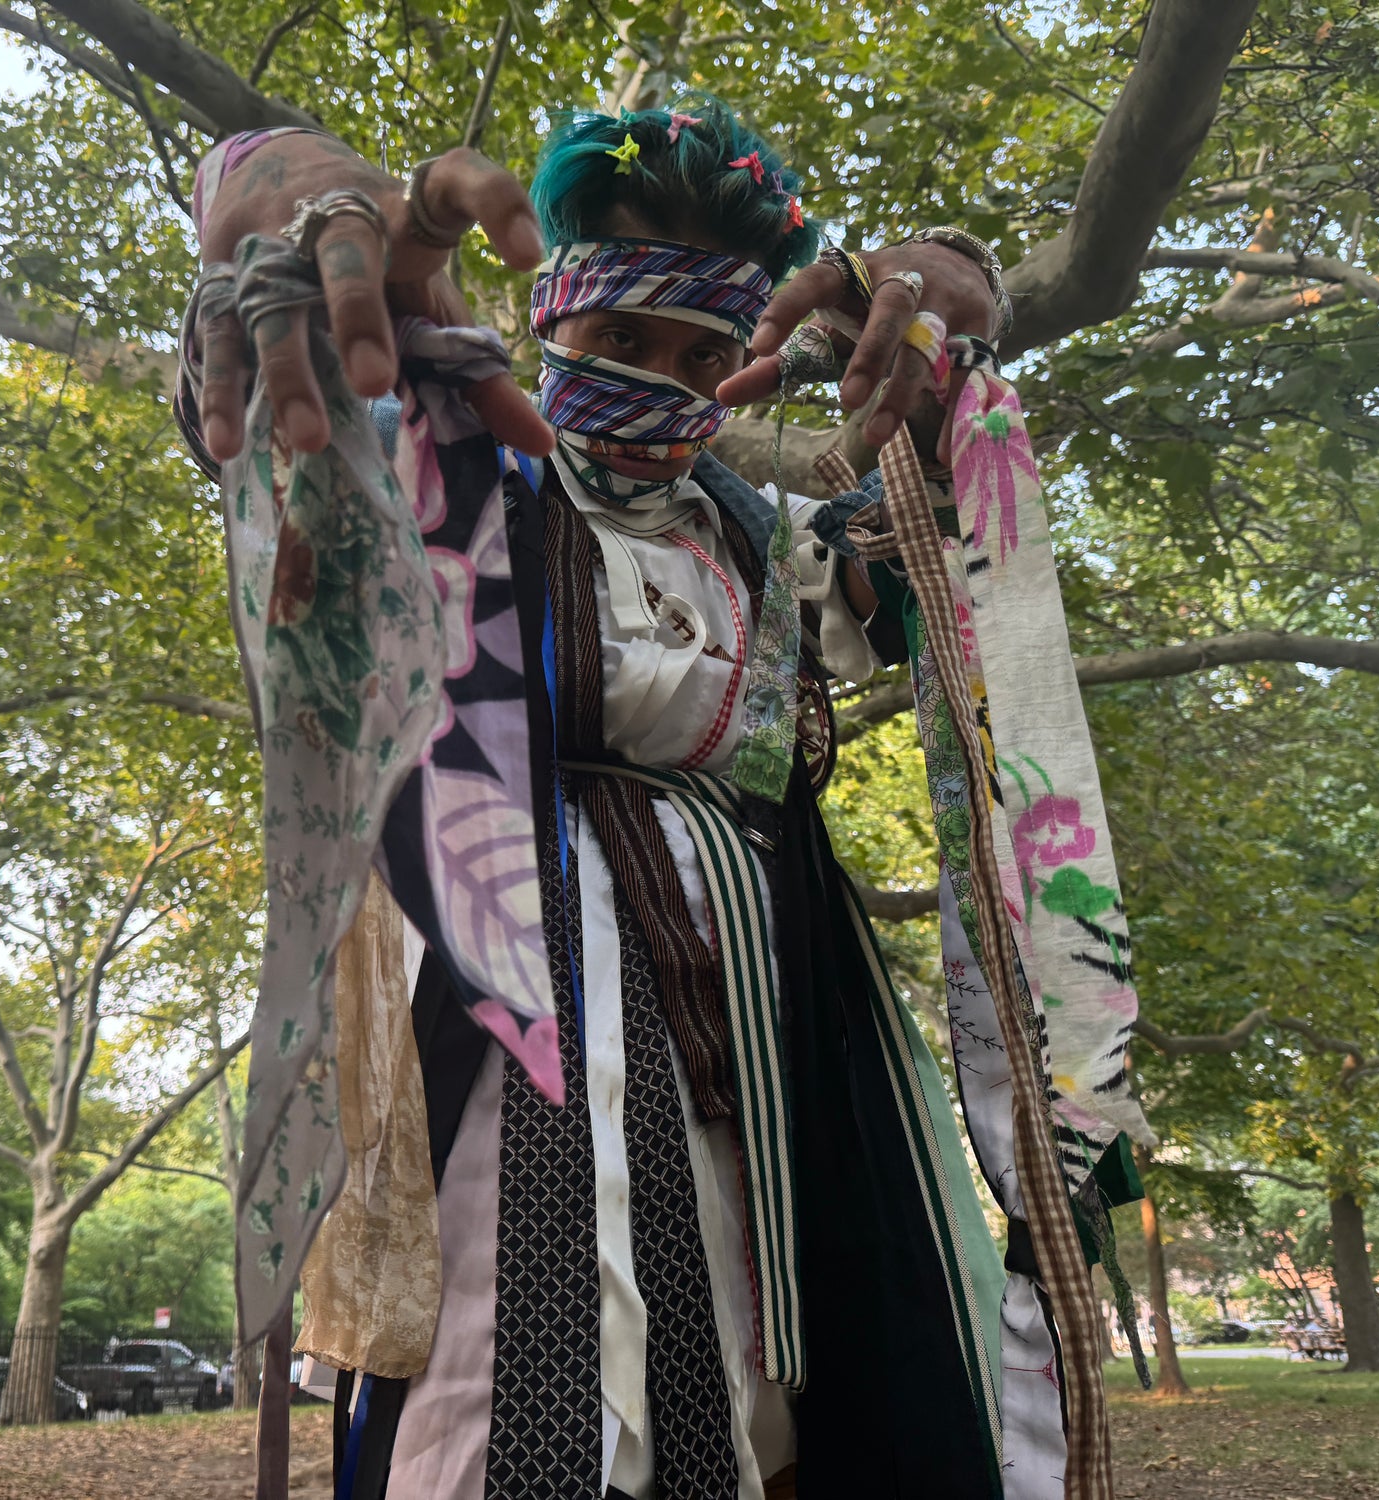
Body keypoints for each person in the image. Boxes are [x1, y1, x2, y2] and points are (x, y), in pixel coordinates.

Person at [182, 94, 1145, 1500]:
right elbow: (295, 404)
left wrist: (955, 311)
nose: (655, 379)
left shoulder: (773, 542)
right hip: (521, 1016)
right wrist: (279, 189)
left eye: (700, 354)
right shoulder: (453, 484)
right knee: (512, 1389)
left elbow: (949, 549)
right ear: (555, 317)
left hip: (784, 1030)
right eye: (619, 341)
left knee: (807, 1398)